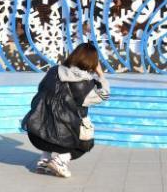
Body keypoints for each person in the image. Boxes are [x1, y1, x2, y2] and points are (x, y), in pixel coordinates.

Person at [22, 42, 109, 178]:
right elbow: (104, 95)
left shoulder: (53, 71)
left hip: (36, 132)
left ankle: (44, 160)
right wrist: (101, 74)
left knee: (52, 116)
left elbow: (41, 89)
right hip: (62, 140)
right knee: (86, 142)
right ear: (93, 62)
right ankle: (60, 160)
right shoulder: (85, 85)